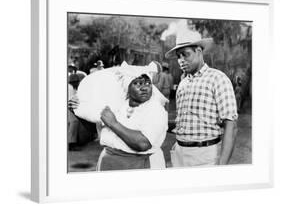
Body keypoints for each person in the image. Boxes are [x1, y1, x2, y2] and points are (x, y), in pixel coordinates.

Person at [165, 27, 238, 167]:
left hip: (205, 155)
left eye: (185, 54)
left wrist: (221, 166)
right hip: (179, 152)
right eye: (178, 56)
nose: (181, 60)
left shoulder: (218, 78)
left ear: (198, 51)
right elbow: (189, 120)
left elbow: (231, 125)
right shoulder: (183, 82)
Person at [69, 74, 168, 171]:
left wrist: (113, 123)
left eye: (148, 83)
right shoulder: (118, 104)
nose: (144, 88)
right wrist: (77, 111)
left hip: (140, 165)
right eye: (138, 83)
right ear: (127, 86)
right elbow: (97, 130)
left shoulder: (156, 109)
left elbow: (143, 144)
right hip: (109, 162)